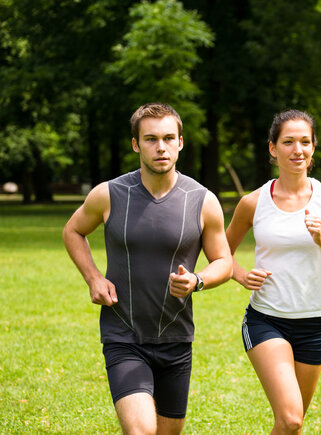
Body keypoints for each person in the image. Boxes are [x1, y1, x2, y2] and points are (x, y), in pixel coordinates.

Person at [62, 102, 232, 434]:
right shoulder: (109, 194)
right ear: (136, 144)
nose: (161, 147)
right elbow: (73, 230)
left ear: (180, 142)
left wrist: (197, 280)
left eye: (169, 138)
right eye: (151, 139)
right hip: (123, 335)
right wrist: (93, 278)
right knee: (140, 431)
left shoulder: (203, 200)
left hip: (176, 338)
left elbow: (224, 262)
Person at [226, 109, 321, 434]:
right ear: (273, 148)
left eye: (304, 141)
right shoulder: (253, 202)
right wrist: (240, 274)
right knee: (291, 418)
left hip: (315, 325)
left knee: (291, 427)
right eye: (288, 141)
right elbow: (220, 252)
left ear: (313, 146)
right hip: (266, 320)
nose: (297, 149)